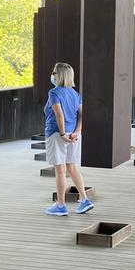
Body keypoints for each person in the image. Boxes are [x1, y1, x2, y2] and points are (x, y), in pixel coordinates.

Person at [43, 62, 93, 216]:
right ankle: (84, 199)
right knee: (72, 166)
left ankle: (61, 205)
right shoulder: (75, 94)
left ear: (59, 75)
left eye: (54, 72)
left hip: (57, 134)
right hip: (74, 135)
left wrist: (63, 133)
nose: (52, 75)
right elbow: (82, 115)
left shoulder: (54, 93)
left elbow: (59, 115)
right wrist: (77, 132)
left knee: (60, 170)